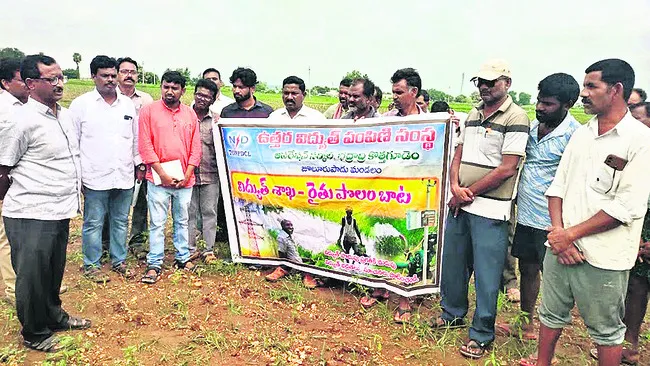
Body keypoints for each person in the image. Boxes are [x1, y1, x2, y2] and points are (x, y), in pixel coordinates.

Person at [529, 59, 650, 366]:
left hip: (603, 256)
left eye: (591, 86)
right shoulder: (582, 134)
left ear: (616, 90)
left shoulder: (639, 140)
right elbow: (557, 187)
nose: (583, 93)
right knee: (550, 314)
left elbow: (627, 206)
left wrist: (568, 235)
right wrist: (560, 236)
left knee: (606, 331)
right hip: (560, 247)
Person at [436, 59, 530, 359]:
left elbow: (507, 168)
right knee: (453, 263)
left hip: (490, 210)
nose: (485, 87)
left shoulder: (516, 117)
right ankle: (452, 313)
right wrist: (454, 184)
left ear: (507, 83)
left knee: (488, 275)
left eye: (492, 82)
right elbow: (459, 152)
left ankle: (481, 333)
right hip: (460, 203)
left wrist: (467, 193)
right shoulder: (474, 113)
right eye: (481, 81)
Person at [0, 54, 91, 352]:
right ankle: (35, 332)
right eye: (51, 79)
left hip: (59, 210)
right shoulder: (19, 121)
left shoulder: (63, 116)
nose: (59, 83)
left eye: (60, 77)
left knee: (53, 271)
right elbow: (3, 169)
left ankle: (54, 316)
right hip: (30, 213)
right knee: (31, 277)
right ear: (30, 84)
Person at [495, 73, 580, 342]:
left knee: (554, 280)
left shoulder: (574, 136)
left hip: (554, 222)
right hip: (527, 216)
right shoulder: (531, 128)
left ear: (567, 104)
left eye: (549, 104)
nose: (540, 107)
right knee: (527, 270)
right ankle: (525, 323)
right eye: (539, 101)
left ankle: (548, 336)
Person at [69, 55, 141, 282]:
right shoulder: (81, 105)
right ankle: (92, 264)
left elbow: (135, 138)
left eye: (113, 75)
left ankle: (119, 260)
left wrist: (138, 165)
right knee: (93, 222)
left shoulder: (127, 104)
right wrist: (78, 177)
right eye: (105, 76)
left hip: (124, 174)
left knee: (121, 221)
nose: (110, 80)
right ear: (93, 77)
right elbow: (73, 144)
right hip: (94, 176)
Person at [138, 71, 202, 284]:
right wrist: (162, 174)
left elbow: (196, 147)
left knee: (182, 220)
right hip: (158, 179)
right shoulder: (148, 111)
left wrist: (188, 173)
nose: (169, 91)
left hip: (185, 179)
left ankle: (182, 257)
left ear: (183, 91)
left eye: (175, 88)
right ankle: (154, 262)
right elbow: (145, 146)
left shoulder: (190, 114)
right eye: (166, 86)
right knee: (157, 222)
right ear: (161, 87)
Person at [113, 57, 154, 260]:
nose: (129, 75)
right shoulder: (110, 97)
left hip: (141, 161)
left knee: (140, 203)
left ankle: (137, 242)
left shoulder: (146, 100)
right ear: (117, 74)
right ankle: (108, 243)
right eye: (124, 71)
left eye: (133, 72)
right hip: (115, 160)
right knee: (111, 202)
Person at [0, 57, 28, 305]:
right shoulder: (6, 108)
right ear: (6, 82)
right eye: (22, 80)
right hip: (4, 178)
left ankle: (27, 283)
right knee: (7, 236)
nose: (27, 85)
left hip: (17, 179)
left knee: (21, 233)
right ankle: (12, 289)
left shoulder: (23, 106)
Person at [187, 79, 221, 264]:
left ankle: (208, 250)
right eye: (199, 94)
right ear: (194, 94)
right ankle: (190, 249)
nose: (202, 99)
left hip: (210, 174)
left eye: (206, 96)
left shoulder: (216, 121)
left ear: (213, 99)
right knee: (189, 213)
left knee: (209, 212)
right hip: (187, 176)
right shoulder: (184, 115)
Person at [265, 219, 319, 288]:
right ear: (283, 227)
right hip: (291, 264)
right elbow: (282, 253)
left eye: (291, 225)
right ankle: (281, 270)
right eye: (287, 225)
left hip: (297, 262)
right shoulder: (282, 238)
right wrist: (286, 265)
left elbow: (293, 254)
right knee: (307, 271)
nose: (290, 227)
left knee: (312, 263)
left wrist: (305, 259)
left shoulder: (288, 237)